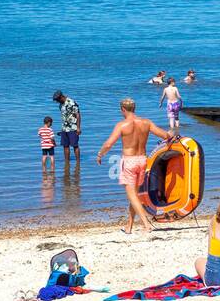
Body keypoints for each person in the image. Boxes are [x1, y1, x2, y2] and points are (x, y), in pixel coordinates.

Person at [96, 97, 172, 235]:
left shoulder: (122, 125)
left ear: (123, 109)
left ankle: (146, 224)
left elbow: (108, 144)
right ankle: (129, 226)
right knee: (134, 196)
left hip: (130, 161)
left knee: (132, 196)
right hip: (142, 160)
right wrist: (174, 134)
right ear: (134, 108)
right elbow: (166, 135)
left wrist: (100, 154)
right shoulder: (146, 122)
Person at [52, 90, 82, 167]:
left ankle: (78, 163)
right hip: (64, 128)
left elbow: (78, 115)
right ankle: (67, 163)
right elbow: (64, 117)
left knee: (75, 145)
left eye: (58, 100)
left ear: (61, 97)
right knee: (65, 146)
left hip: (73, 128)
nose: (57, 102)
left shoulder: (71, 102)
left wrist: (78, 128)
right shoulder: (60, 105)